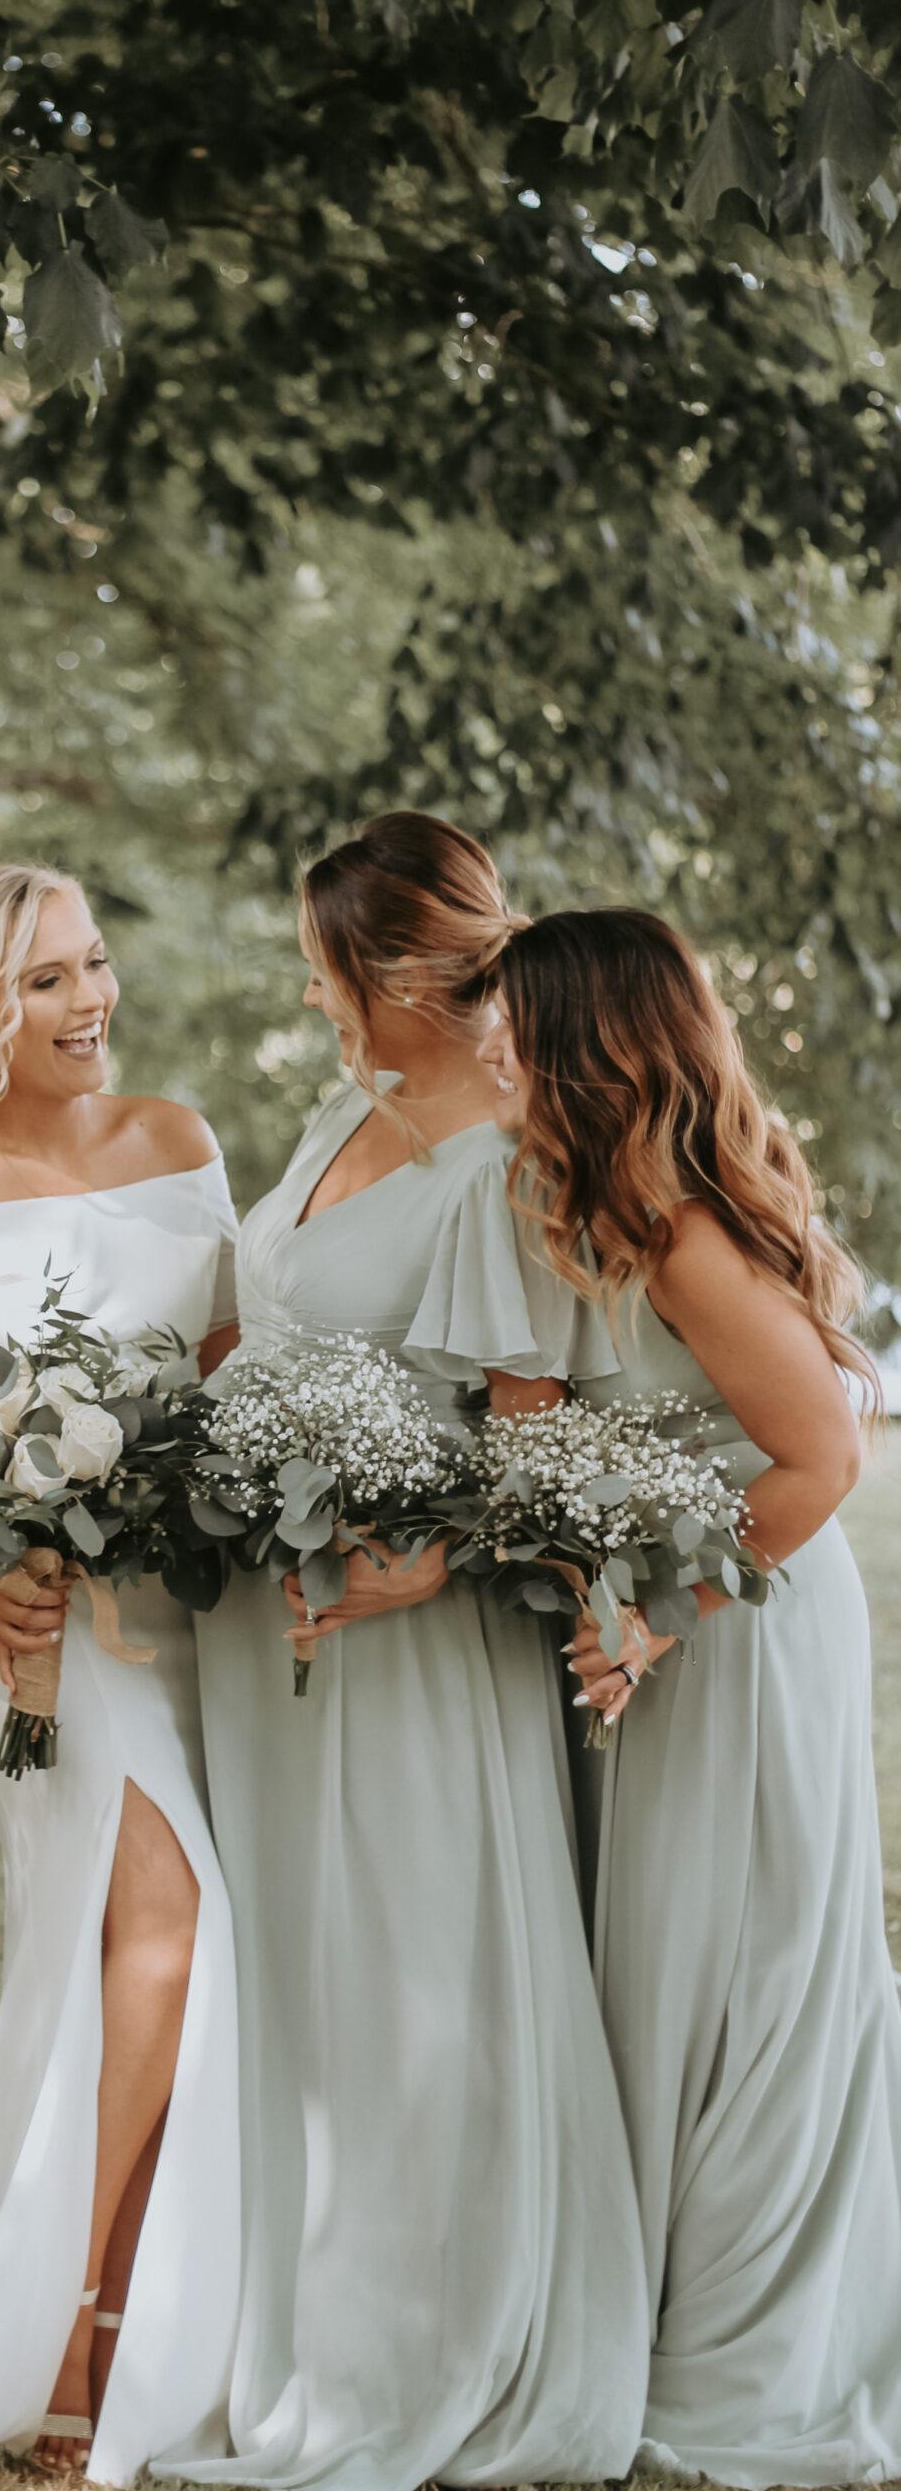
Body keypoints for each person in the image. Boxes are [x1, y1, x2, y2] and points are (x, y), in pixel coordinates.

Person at [171, 814, 648, 2491]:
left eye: (321, 971)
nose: (310, 1001)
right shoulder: (340, 1110)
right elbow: (263, 1319)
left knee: (410, 1973)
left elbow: (534, 1429)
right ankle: (290, 2329)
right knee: (299, 1975)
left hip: (409, 1635)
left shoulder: (515, 1152)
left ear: (384, 973)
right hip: (266, 1613)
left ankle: (423, 2346)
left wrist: (415, 1567)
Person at [481, 906, 901, 2487]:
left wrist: (660, 1617)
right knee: (664, 1972)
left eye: (518, 1031)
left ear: (586, 1049)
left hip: (744, 1630)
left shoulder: (688, 1241)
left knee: (747, 1985)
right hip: (661, 1633)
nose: (496, 1055)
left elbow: (822, 1462)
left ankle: (752, 2352)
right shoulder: (583, 1214)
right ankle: (657, 2315)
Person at [0, 864, 242, 2487]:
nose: (91, 1003)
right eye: (44, 984)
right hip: (10, 1631)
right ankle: (70, 2319)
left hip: (170, 1610)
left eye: (93, 967)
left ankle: (133, 2319)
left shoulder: (178, 1143)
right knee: (167, 1914)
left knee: (141, 1945)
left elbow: (227, 1371)